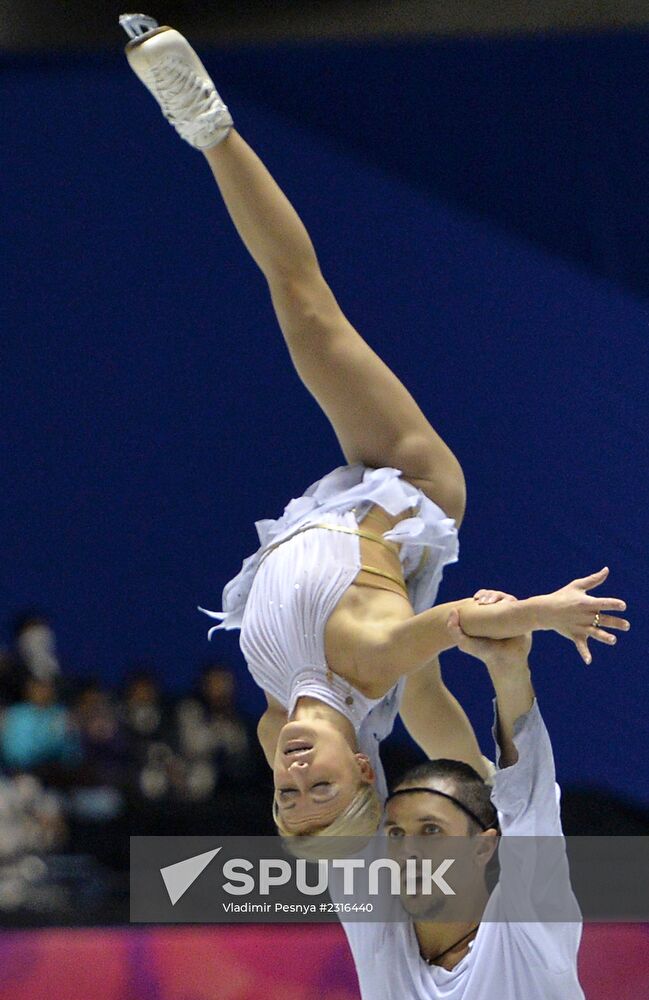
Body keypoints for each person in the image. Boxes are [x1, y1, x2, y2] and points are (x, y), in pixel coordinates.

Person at [119, 15, 629, 839]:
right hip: (413, 485)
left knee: (419, 698)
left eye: (286, 797)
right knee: (306, 311)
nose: (290, 778)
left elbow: (418, 701)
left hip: (340, 532)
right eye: (316, 788)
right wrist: (544, 611)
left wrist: (476, 793)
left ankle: (492, 799)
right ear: (360, 768)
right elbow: (460, 621)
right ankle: (208, 125)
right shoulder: (366, 657)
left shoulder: (272, 718)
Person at [338, 606, 586, 999]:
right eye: (396, 834)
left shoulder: (530, 933)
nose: (408, 850)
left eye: (430, 832)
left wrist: (509, 668)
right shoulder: (379, 930)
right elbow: (340, 764)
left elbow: (529, 804)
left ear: (484, 845)